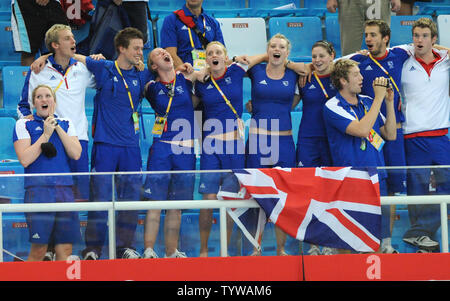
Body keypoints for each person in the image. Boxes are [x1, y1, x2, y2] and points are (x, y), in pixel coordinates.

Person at [74, 27, 152, 260]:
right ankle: (93, 249)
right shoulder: (104, 67)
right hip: (105, 145)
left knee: (130, 201)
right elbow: (72, 56)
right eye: (136, 48)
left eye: (141, 48)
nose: (140, 52)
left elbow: (168, 71)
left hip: (131, 148)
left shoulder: (143, 74)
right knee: (100, 198)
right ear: (122, 48)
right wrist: (45, 58)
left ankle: (123, 248)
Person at [194, 42, 270, 257]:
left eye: (218, 52)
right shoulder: (202, 82)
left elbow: (264, 56)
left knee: (229, 198)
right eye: (210, 53)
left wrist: (242, 57)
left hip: (234, 146)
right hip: (210, 147)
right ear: (206, 59)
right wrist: (196, 73)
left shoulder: (236, 70)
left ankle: (225, 250)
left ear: (225, 57)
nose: (214, 55)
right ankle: (203, 250)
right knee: (208, 200)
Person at [323, 59, 397, 253]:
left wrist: (388, 103)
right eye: (356, 74)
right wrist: (379, 98)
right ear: (343, 81)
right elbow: (363, 130)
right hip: (352, 179)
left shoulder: (367, 101)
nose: (362, 77)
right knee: (352, 240)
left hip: (377, 175)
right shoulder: (332, 106)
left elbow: (390, 134)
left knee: (376, 242)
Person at [245, 33, 302, 256]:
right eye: (272, 46)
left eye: (281, 47)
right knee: (256, 196)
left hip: (284, 141)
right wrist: (266, 56)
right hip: (259, 141)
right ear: (267, 49)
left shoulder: (294, 74)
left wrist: (285, 61)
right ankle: (255, 247)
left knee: (283, 196)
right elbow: (246, 62)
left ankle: (280, 249)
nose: (276, 50)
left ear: (288, 53)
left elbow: (306, 71)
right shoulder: (257, 70)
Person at [141, 48, 201, 259]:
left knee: (176, 206)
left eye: (165, 51)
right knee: (156, 203)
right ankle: (149, 250)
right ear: (153, 66)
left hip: (185, 149)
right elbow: (138, 73)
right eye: (157, 54)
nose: (164, 53)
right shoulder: (151, 85)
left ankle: (171, 252)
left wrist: (187, 68)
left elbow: (207, 72)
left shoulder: (186, 78)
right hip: (162, 147)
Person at [13, 84, 82, 261]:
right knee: (39, 248)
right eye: (39, 97)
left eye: (48, 96)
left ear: (54, 101)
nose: (44, 99)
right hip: (39, 191)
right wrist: (45, 134)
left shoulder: (66, 123)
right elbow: (25, 159)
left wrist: (56, 127)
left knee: (66, 249)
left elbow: (76, 153)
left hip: (64, 190)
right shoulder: (24, 124)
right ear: (34, 103)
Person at [400, 18, 450, 252]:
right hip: (412, 137)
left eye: (424, 36)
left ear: (434, 40)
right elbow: (376, 52)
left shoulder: (447, 61)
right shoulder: (402, 59)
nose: (419, 40)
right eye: (416, 35)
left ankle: (419, 233)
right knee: (416, 191)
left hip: (440, 136)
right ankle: (423, 242)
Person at [296, 40, 338, 255]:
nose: (318, 60)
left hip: (332, 141)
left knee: (330, 192)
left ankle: (330, 242)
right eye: (314, 57)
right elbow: (289, 103)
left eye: (322, 56)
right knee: (308, 191)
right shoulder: (304, 79)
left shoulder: (340, 77)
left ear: (332, 55)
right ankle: (312, 244)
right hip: (308, 140)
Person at [159, 0, 225, 70]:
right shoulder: (171, 20)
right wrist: (187, 73)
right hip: (184, 73)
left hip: (209, 73)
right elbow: (170, 53)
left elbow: (221, 54)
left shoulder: (213, 22)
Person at [326, 0, 401, 56]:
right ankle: (348, 75)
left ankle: (384, 74)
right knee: (349, 48)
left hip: (378, 2)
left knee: (381, 45)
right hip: (349, 2)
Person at [11, 0, 69, 66]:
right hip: (25, 5)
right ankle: (30, 76)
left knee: (63, 46)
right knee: (29, 51)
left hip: (54, 3)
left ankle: (62, 75)